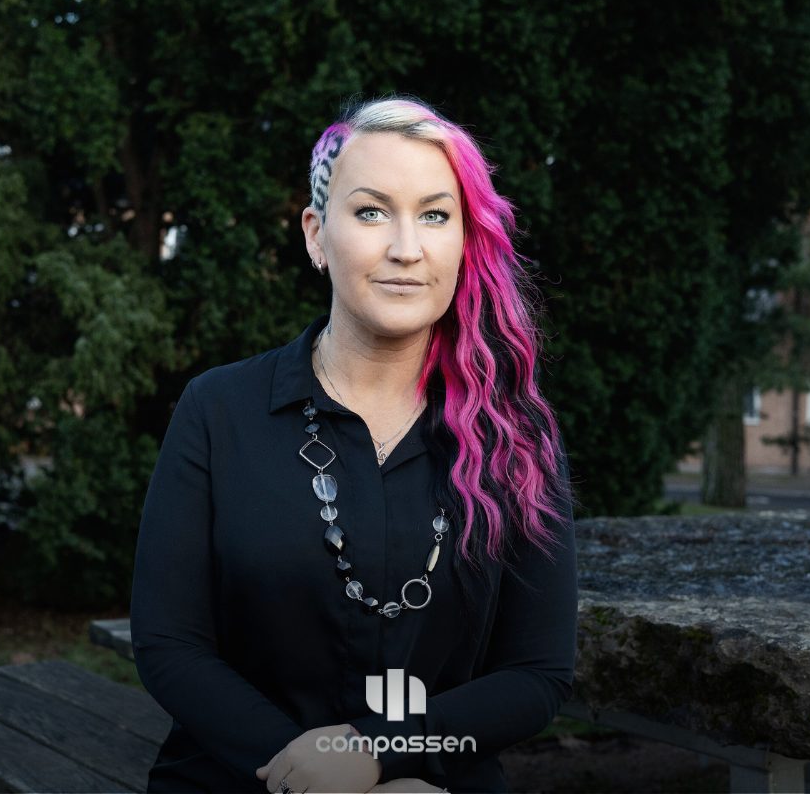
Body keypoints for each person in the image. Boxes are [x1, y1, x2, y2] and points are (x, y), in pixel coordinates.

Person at [130, 95, 577, 794]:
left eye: (435, 215)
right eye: (371, 212)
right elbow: (170, 644)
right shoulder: (217, 410)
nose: (406, 247)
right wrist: (311, 773)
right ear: (316, 235)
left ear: (465, 241)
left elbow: (536, 675)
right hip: (241, 778)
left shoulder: (516, 436)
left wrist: (380, 754)